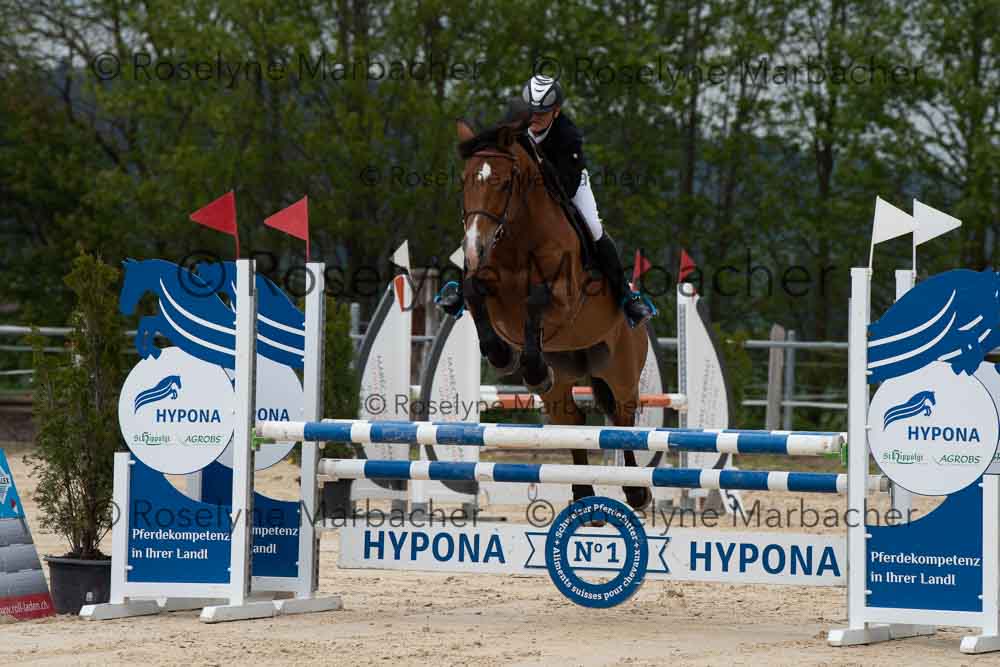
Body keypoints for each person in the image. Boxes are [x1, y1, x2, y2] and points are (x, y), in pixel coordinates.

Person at [438, 74, 655, 328]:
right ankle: (460, 289)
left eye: (543, 112)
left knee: (594, 227)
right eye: (532, 111)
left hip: (568, 183)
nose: (535, 117)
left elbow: (566, 186)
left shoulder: (568, 136)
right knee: (483, 221)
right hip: (521, 188)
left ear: (557, 111)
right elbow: (492, 149)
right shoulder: (513, 124)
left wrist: (536, 180)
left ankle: (626, 297)